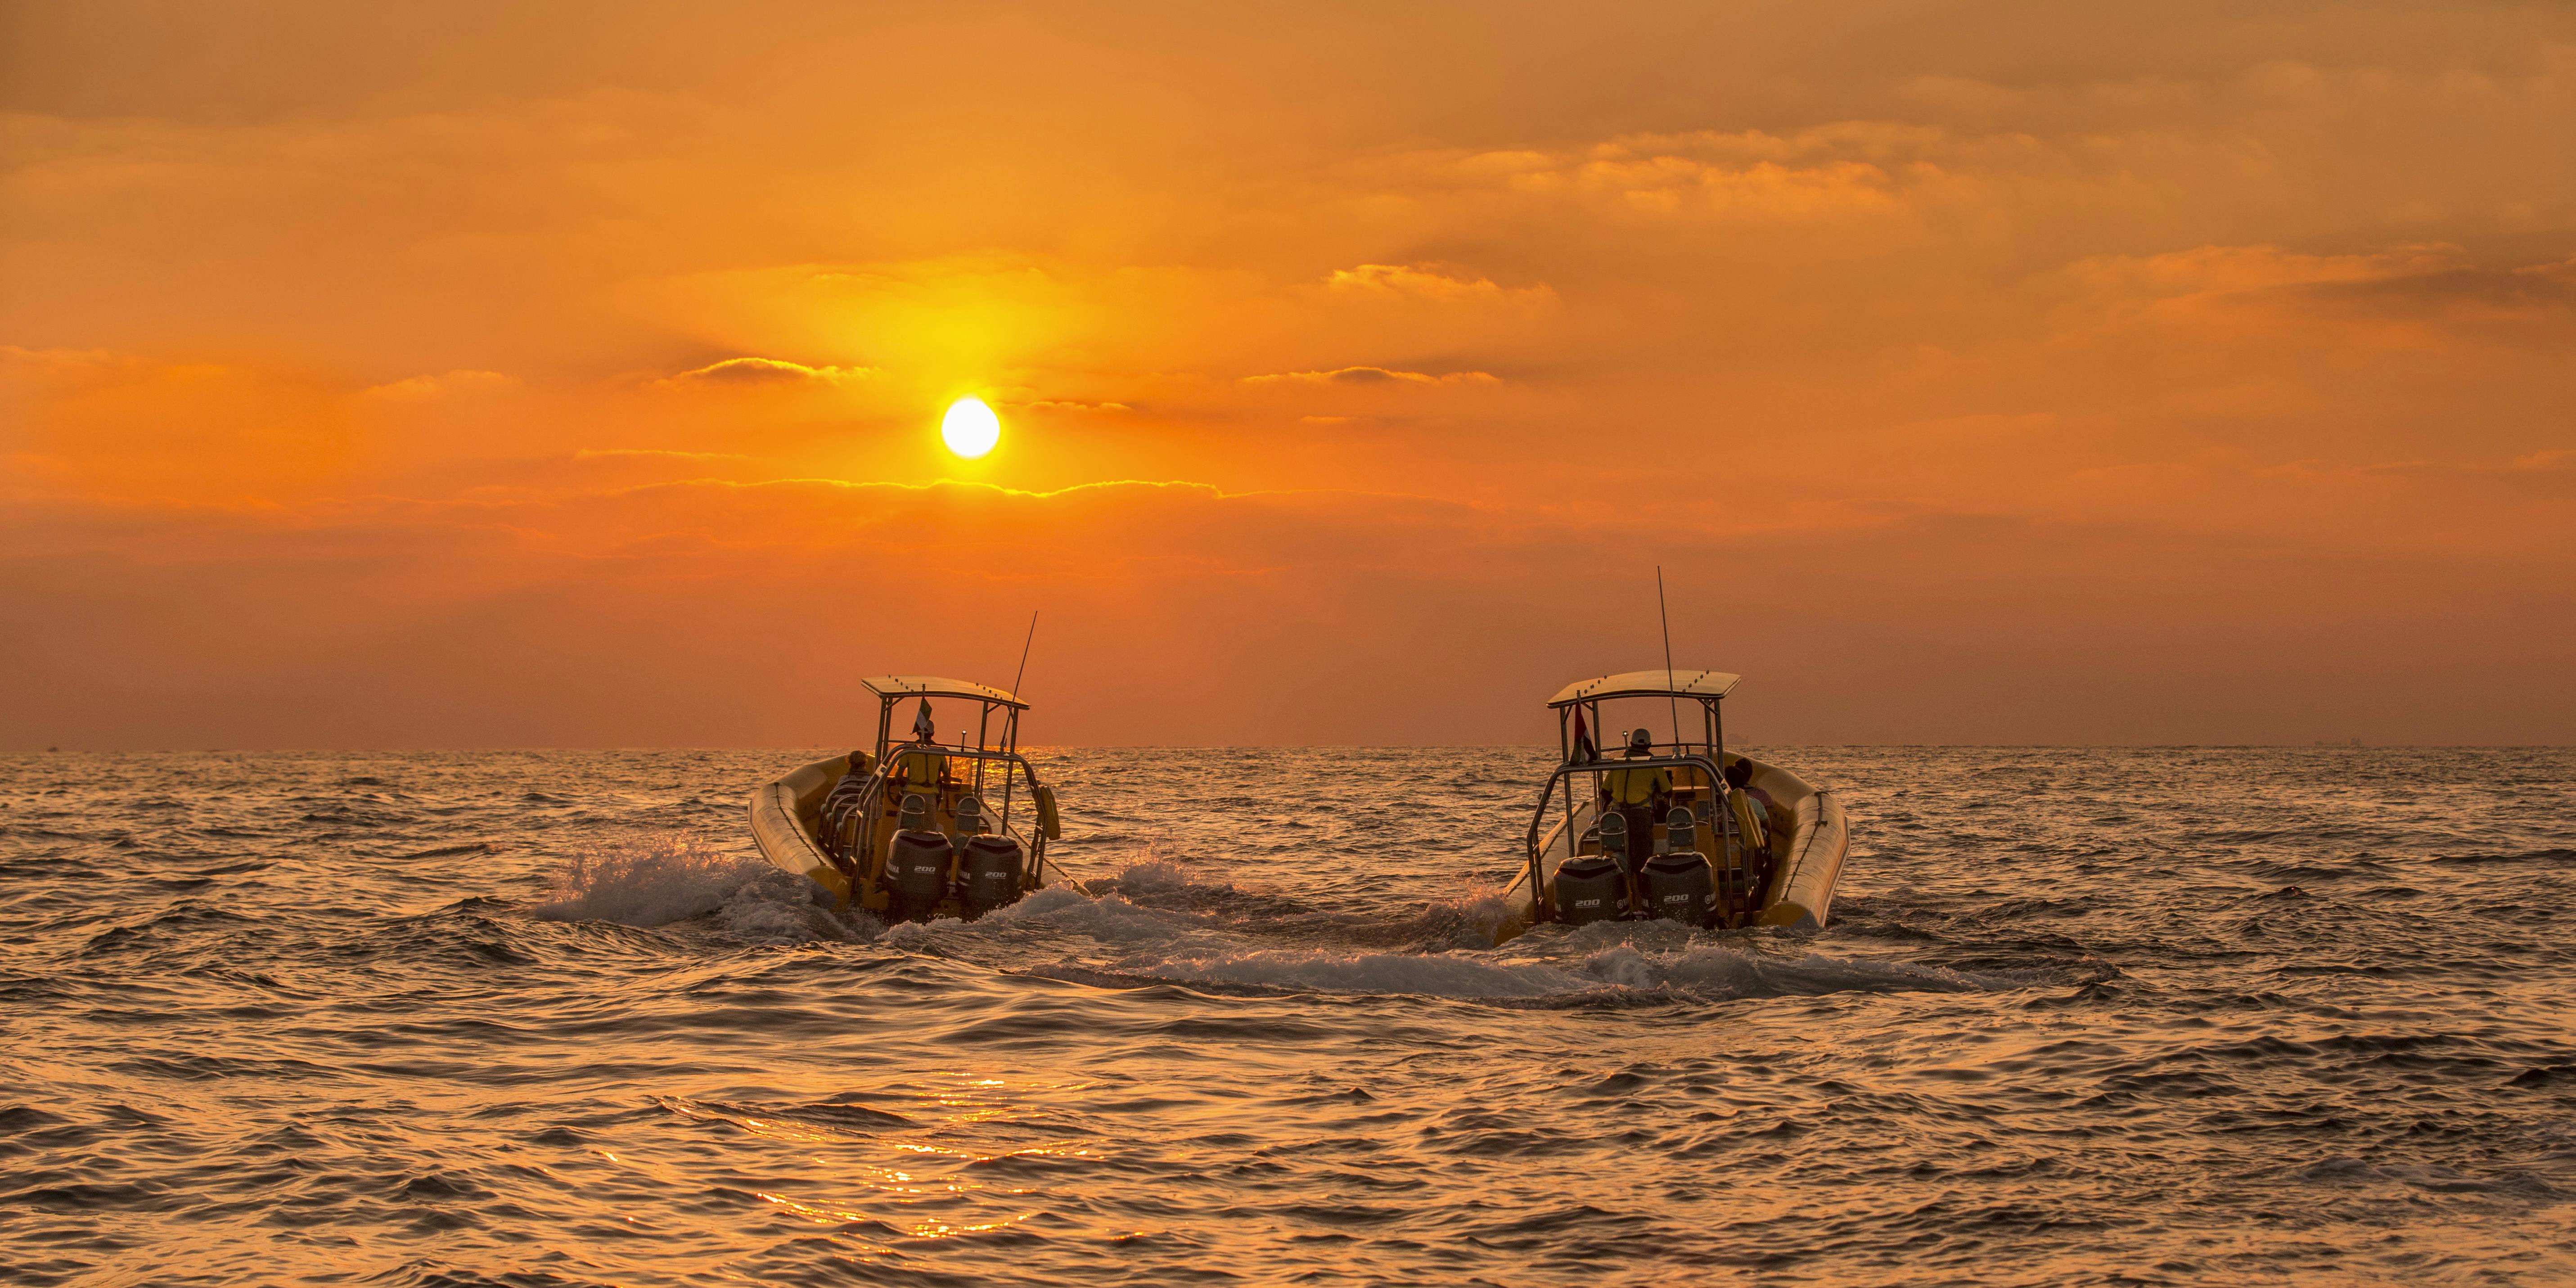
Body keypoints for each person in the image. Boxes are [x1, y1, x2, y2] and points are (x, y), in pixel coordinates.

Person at [1599, 728, 1670, 877]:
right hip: (1639, 816)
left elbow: (1604, 792)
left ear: (1631, 743)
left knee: (1618, 853)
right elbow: (1668, 791)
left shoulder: (1618, 763)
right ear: (1649, 745)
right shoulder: (1653, 764)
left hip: (1616, 816)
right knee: (1642, 859)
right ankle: (1642, 890)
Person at [891, 699, 950, 799]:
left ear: (918, 733)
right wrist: (937, 779)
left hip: (911, 793)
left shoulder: (909, 750)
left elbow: (899, 776)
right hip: (931, 795)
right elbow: (947, 778)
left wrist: (903, 781)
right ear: (933, 734)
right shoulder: (939, 752)